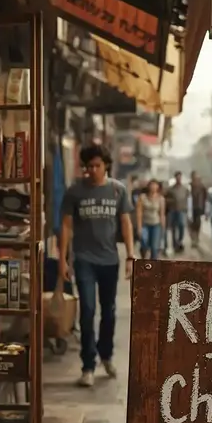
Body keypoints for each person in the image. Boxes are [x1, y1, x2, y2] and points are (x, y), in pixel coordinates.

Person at [58, 144, 136, 388]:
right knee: (88, 310)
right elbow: (67, 226)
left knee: (109, 311)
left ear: (106, 166)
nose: (92, 170)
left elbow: (125, 223)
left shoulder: (117, 190)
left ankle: (106, 355)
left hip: (110, 260)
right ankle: (88, 365)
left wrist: (131, 255)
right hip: (84, 260)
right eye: (88, 166)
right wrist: (62, 258)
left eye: (97, 166)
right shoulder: (75, 192)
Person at [136, 179, 166, 259]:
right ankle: (143, 257)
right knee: (144, 242)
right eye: (151, 185)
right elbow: (139, 213)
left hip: (156, 224)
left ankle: (153, 265)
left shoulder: (161, 199)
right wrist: (139, 227)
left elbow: (162, 214)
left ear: (158, 187)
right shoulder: (142, 197)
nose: (153, 187)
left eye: (155, 185)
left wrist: (163, 227)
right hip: (145, 224)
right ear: (148, 186)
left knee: (154, 247)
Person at [165, 171, 190, 253]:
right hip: (172, 210)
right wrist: (171, 201)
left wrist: (187, 209)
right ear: (175, 178)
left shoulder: (185, 189)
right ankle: (174, 244)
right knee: (173, 228)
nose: (178, 179)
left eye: (180, 177)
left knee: (182, 225)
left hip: (182, 210)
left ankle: (180, 240)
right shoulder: (170, 189)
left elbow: (188, 199)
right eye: (177, 177)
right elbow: (166, 199)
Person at [188, 171, 207, 249]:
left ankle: (196, 238)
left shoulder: (202, 187)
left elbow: (205, 198)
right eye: (195, 177)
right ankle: (193, 239)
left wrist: (204, 208)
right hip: (190, 207)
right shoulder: (189, 186)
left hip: (198, 207)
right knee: (190, 224)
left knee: (197, 223)